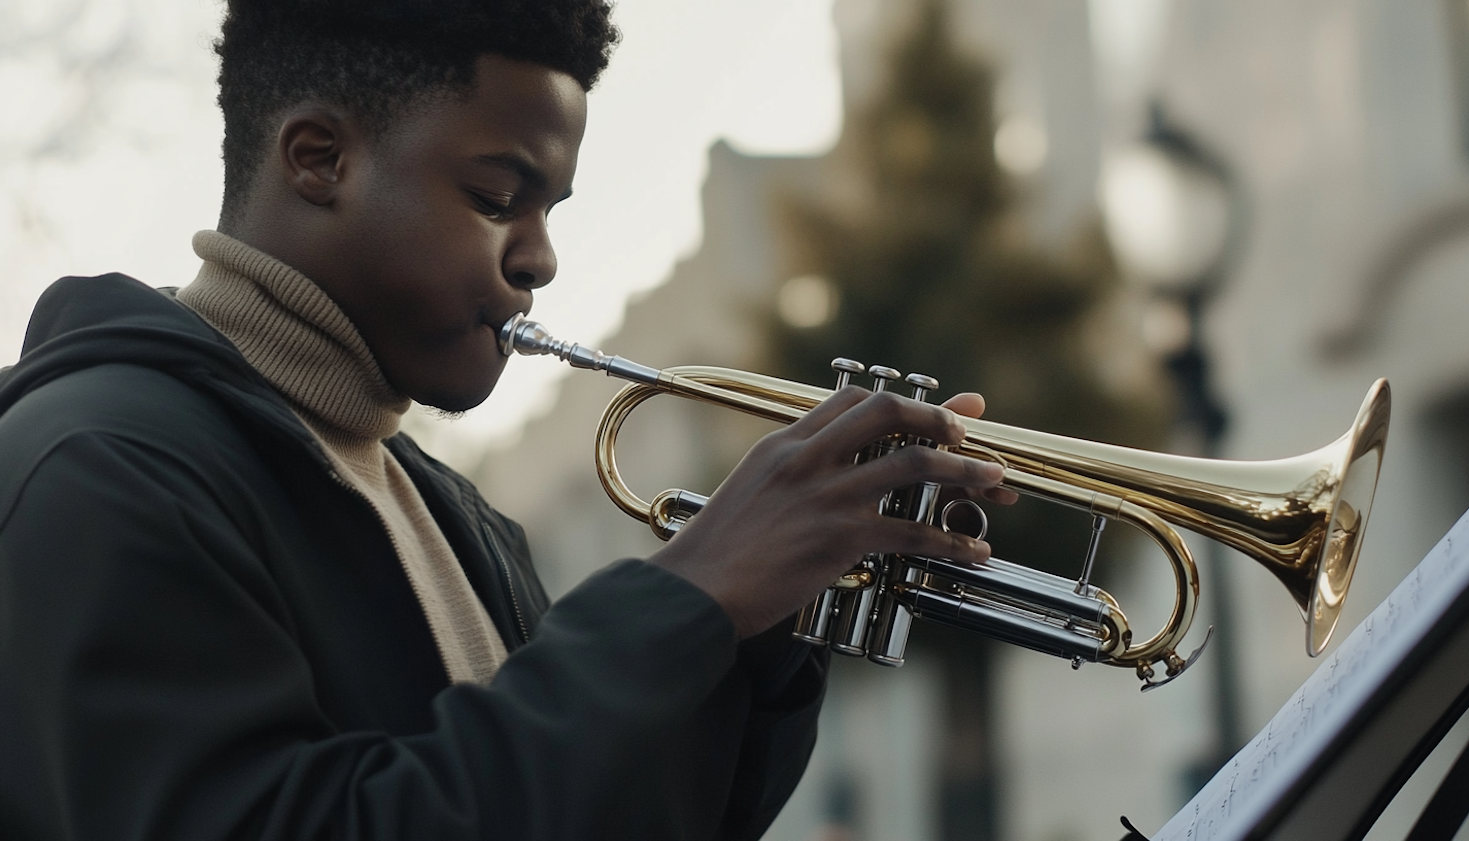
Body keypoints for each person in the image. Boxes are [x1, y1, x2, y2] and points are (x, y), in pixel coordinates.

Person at [0, 1, 1010, 839]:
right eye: (496, 198)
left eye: (551, 213)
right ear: (319, 159)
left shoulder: (452, 513)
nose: (540, 260)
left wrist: (752, 625)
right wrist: (685, 595)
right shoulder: (98, 469)